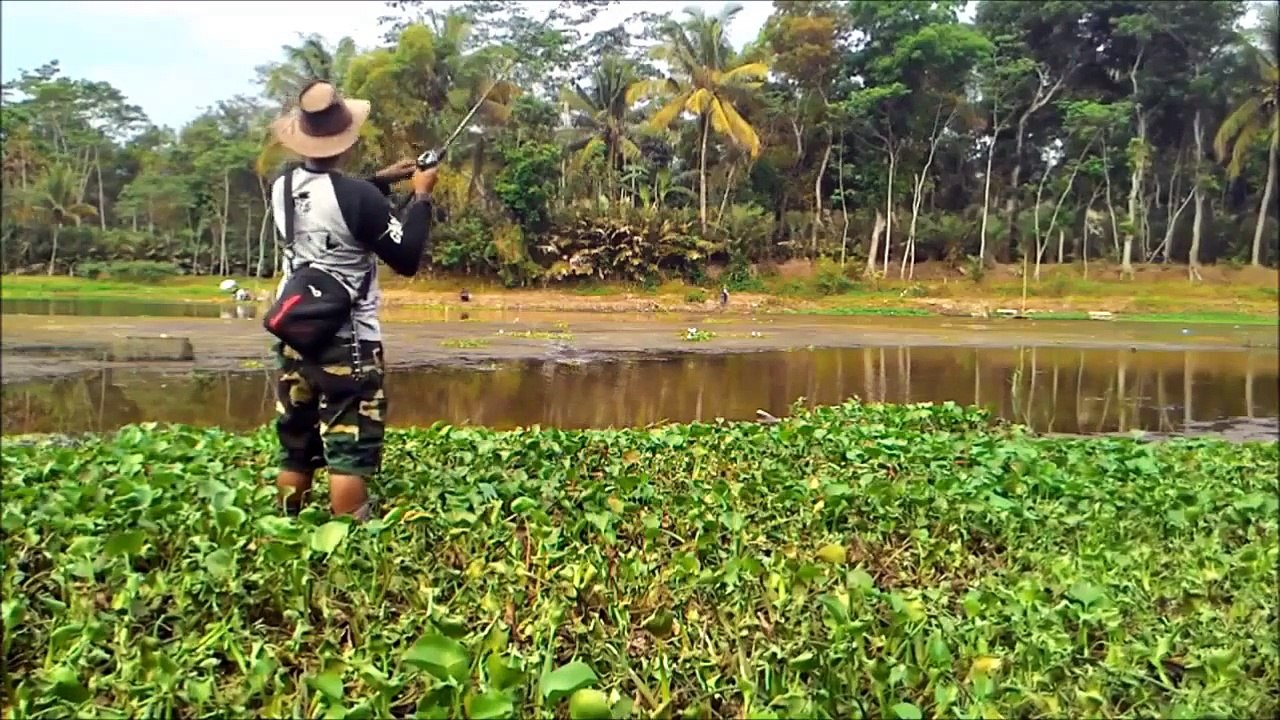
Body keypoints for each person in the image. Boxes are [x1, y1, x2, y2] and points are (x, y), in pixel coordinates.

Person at [267, 80, 438, 521]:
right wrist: (420, 195)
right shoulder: (357, 197)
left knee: (297, 444)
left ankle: (290, 527)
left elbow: (330, 198)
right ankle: (351, 546)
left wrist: (381, 181)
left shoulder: (283, 186)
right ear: (347, 136)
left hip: (294, 332)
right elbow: (406, 258)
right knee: (348, 445)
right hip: (348, 342)